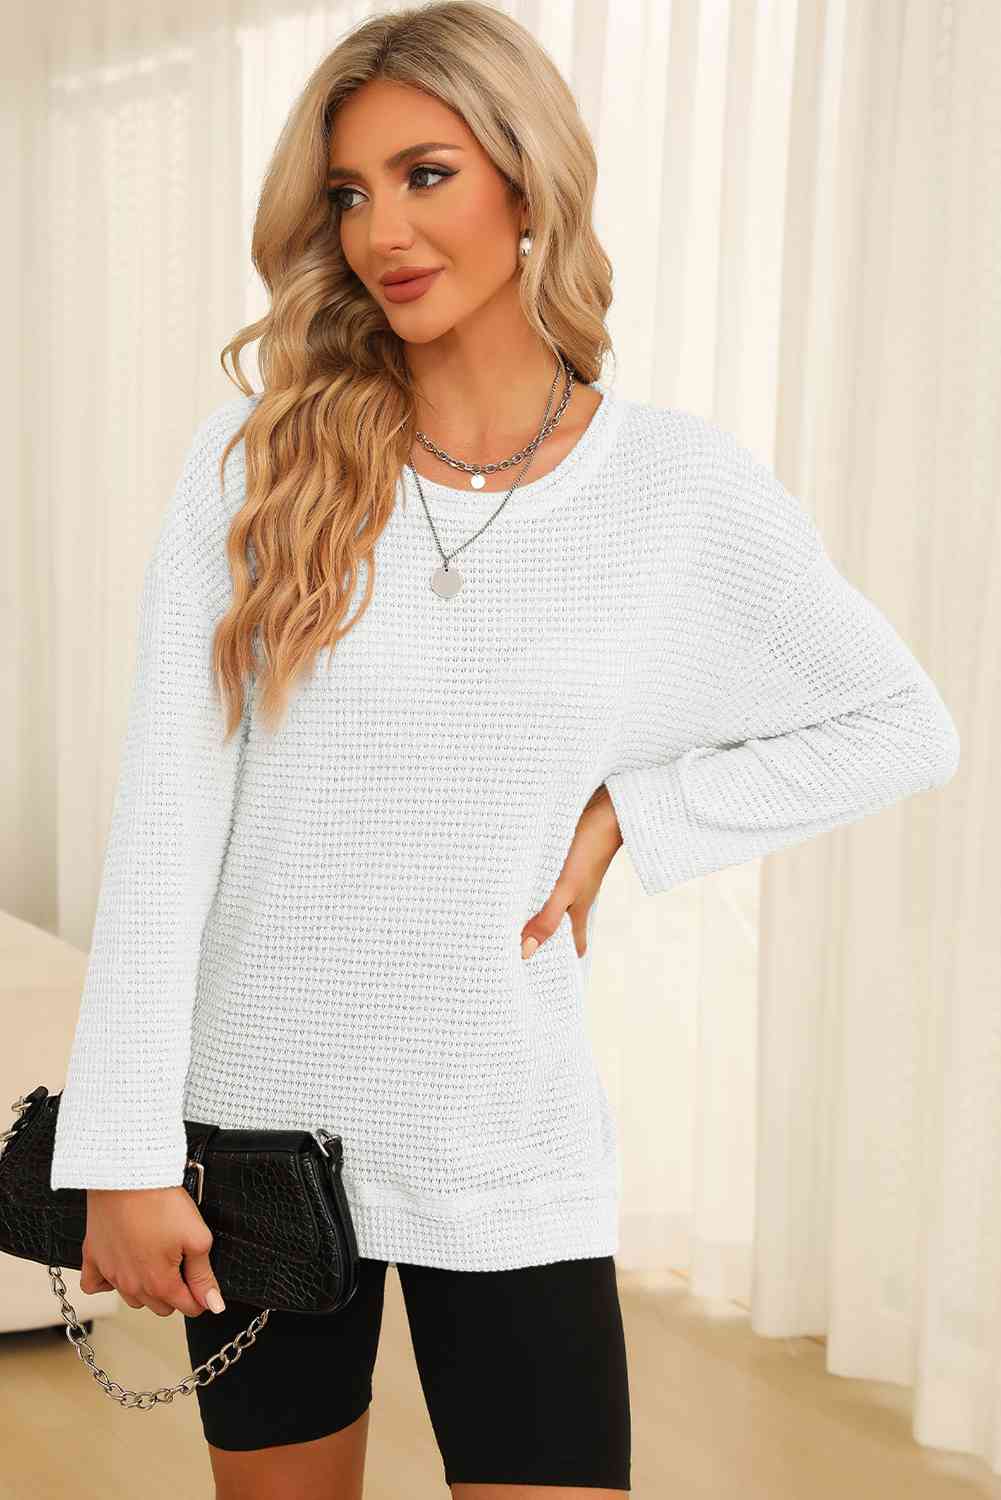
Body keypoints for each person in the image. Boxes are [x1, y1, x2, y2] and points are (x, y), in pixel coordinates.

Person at [47, 3, 960, 1498]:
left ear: (528, 183)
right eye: (350, 194)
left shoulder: (673, 489)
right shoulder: (256, 467)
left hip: (504, 1128)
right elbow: (165, 827)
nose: (383, 232)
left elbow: (897, 724)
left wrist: (633, 811)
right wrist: (124, 1151)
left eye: (428, 175)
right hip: (257, 1127)